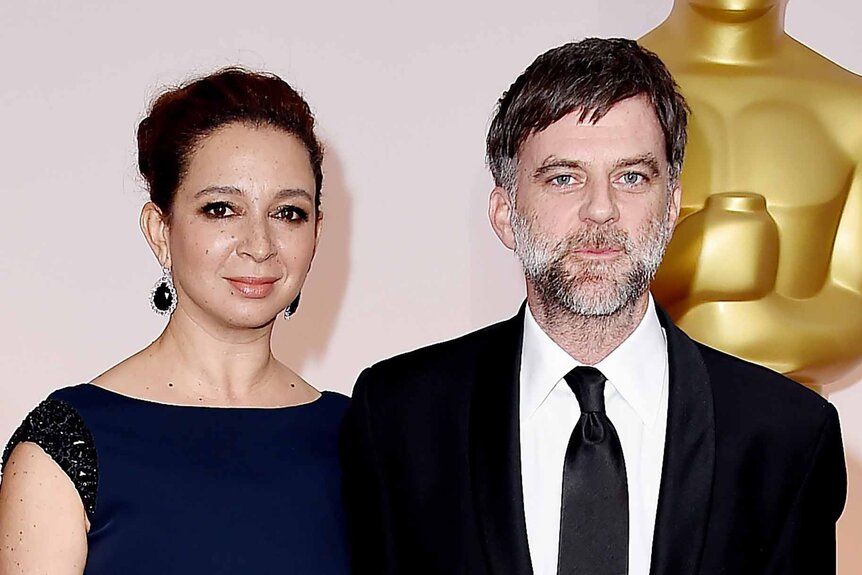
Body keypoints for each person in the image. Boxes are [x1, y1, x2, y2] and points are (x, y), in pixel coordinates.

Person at [341, 38, 846, 575]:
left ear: (671, 207)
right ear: (506, 213)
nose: (601, 209)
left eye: (631, 177)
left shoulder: (786, 435)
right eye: (564, 178)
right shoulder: (399, 416)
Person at [0, 68, 350, 574]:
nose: (259, 245)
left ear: (317, 231)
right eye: (221, 209)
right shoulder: (66, 447)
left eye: (288, 213)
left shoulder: (357, 438)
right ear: (160, 230)